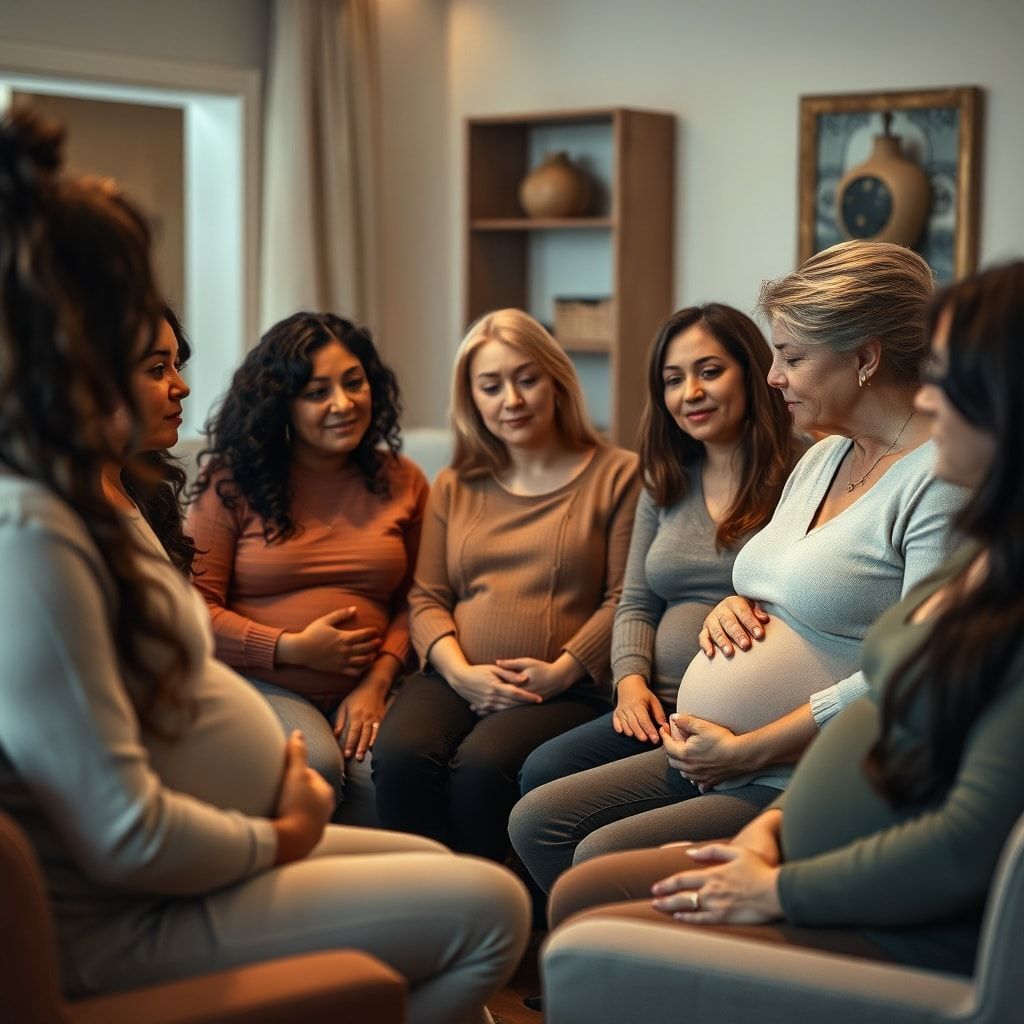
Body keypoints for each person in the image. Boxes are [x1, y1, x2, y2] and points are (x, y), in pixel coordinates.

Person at [0, 108, 528, 1024]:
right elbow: (123, 830)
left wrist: (375, 677)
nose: (176, 383)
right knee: (491, 912)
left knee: (446, 876)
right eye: (145, 355)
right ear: (72, 351)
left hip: (196, 857)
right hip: (133, 913)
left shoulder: (95, 501)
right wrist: (274, 829)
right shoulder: (33, 534)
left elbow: (415, 593)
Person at [543, 261, 1024, 1003]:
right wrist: (728, 605)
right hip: (777, 800)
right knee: (560, 842)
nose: (927, 396)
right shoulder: (831, 461)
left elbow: (960, 835)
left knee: (590, 881)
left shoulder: (967, 539)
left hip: (812, 825)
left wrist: (777, 875)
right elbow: (794, 598)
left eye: (947, 378)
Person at [511, 241, 967, 896]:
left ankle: (651, 982)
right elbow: (781, 581)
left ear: (865, 358)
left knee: (597, 861)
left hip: (799, 771)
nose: (773, 376)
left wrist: (755, 749)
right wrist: (739, 602)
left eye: (792, 357)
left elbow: (916, 677)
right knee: (539, 819)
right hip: (720, 751)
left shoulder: (939, 481)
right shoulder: (823, 457)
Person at [510, 304, 799, 884]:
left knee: (577, 821)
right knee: (542, 768)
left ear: (751, 371)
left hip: (733, 716)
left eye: (709, 371)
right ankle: (574, 924)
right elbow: (637, 601)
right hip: (654, 700)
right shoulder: (665, 480)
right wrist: (629, 683)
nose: (691, 391)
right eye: (673, 379)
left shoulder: (802, 473)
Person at [371, 308, 641, 861]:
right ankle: (417, 910)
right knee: (401, 756)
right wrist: (460, 673)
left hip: (562, 687)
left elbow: (623, 597)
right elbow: (428, 598)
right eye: (491, 386)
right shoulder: (454, 484)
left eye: (527, 379)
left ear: (557, 381)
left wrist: (561, 671)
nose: (511, 401)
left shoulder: (618, 474)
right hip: (454, 675)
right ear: (471, 398)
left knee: (483, 769)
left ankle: (498, 919)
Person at [188, 313, 429, 823]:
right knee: (316, 765)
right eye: (317, 392)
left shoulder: (402, 480)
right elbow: (193, 611)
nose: (343, 404)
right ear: (282, 405)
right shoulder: (230, 482)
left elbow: (418, 599)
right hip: (265, 684)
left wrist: (376, 682)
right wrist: (290, 647)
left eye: (354, 383)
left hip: (372, 688)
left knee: (396, 775)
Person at [100, 306, 196, 574]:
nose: (182, 388)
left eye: (176, 366)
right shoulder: (66, 513)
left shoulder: (143, 495)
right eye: (157, 369)